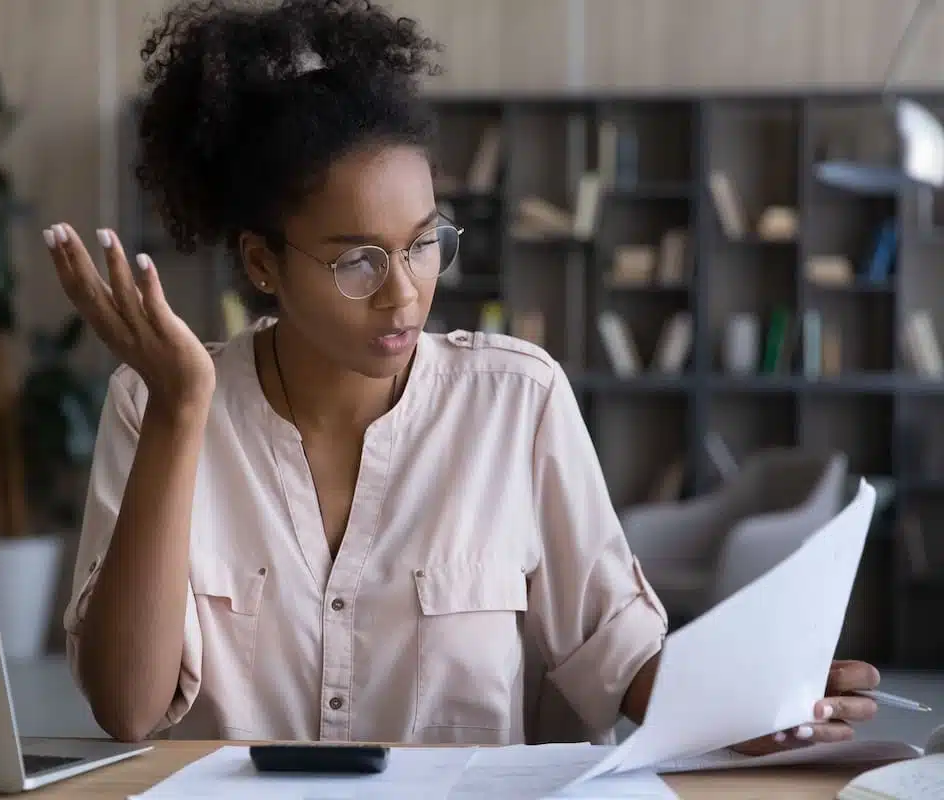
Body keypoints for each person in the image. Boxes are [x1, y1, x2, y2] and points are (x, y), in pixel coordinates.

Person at [44, 0, 880, 750]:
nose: (404, 293)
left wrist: (747, 707)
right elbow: (127, 707)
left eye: (421, 243)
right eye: (358, 262)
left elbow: (617, 652)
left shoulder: (517, 401)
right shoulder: (155, 404)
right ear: (263, 262)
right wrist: (183, 410)